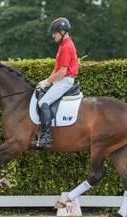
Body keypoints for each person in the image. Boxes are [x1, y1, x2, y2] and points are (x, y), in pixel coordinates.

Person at [33, 17, 78, 147]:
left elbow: (63, 72)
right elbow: (56, 69)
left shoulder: (66, 47)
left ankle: (47, 137)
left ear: (62, 31)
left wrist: (47, 81)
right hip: (60, 80)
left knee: (43, 102)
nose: (53, 36)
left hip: (65, 81)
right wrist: (46, 81)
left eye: (55, 33)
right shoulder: (63, 45)